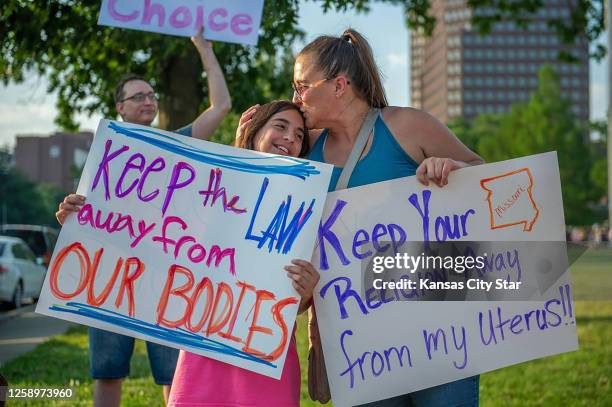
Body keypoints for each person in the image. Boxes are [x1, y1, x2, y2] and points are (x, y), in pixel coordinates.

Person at [289, 29, 484, 406]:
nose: (296, 97)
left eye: (302, 86)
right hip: (359, 341)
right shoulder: (305, 146)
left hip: (438, 329)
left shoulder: (408, 126)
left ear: (340, 85)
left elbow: (484, 176)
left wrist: (452, 166)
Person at [55, 26, 231, 407]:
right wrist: (68, 212)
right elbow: (81, 213)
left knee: (173, 378)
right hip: (108, 275)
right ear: (119, 107)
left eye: (152, 95)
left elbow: (221, 108)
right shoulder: (105, 153)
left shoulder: (175, 145)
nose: (148, 101)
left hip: (163, 277)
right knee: (108, 372)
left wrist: (204, 50)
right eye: (138, 96)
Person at [167, 100, 318, 407]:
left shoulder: (306, 208)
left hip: (266, 353)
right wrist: (84, 220)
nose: (290, 137)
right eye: (280, 126)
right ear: (255, 131)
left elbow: (297, 304)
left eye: (300, 135)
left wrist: (307, 290)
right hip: (205, 348)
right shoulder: (211, 186)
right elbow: (157, 241)